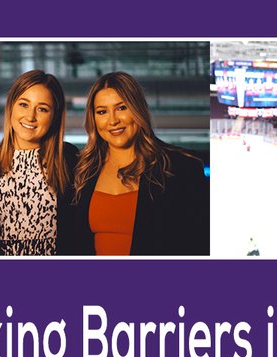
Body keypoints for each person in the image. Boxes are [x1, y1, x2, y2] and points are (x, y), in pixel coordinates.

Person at [58, 72, 209, 256]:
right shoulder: (81, 170)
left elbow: (196, 245)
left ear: (137, 109)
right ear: (94, 119)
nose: (113, 120)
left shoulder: (181, 168)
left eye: (121, 108)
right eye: (102, 112)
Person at [0, 70, 79, 256]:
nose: (30, 117)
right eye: (23, 104)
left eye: (42, 109)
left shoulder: (69, 160)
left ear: (54, 116)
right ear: (11, 107)